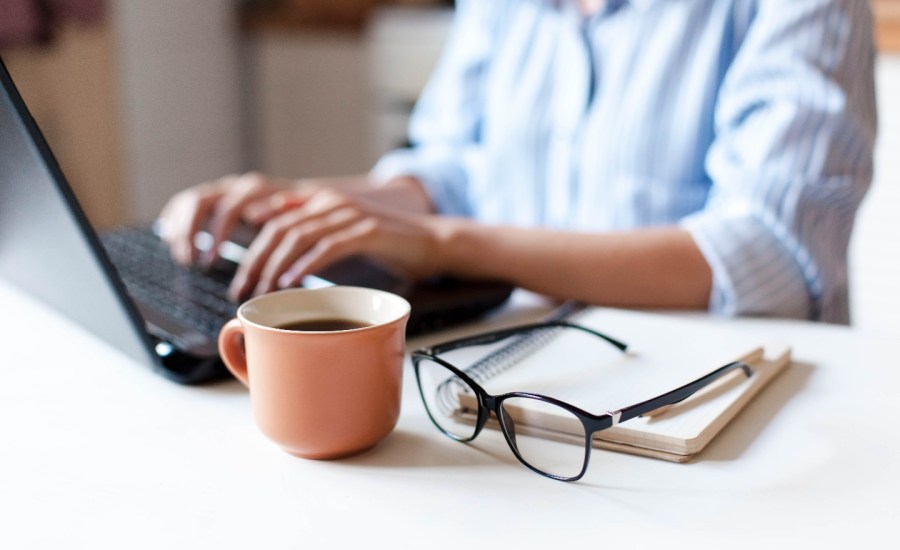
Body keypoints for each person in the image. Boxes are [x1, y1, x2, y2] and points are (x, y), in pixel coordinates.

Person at [158, 0, 877, 323]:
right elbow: (462, 169)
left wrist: (451, 245)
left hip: (718, 406)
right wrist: (305, 206)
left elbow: (769, 257)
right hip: (531, 381)